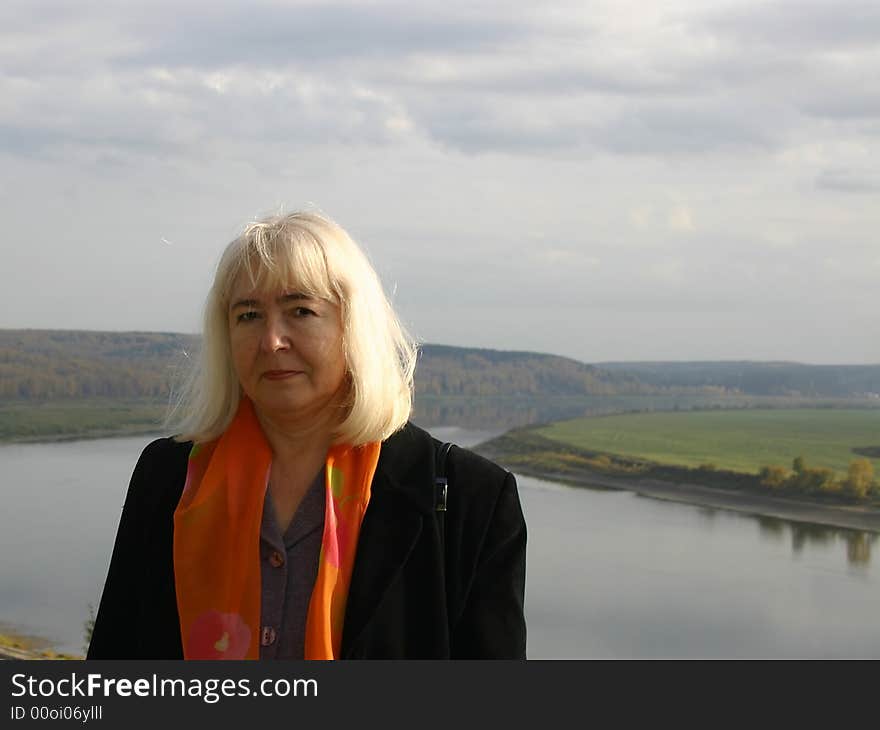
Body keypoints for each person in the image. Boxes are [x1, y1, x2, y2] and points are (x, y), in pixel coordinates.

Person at [87, 210, 527, 660]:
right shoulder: (169, 478)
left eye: (301, 310)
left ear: (352, 326)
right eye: (249, 315)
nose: (271, 340)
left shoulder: (470, 499)